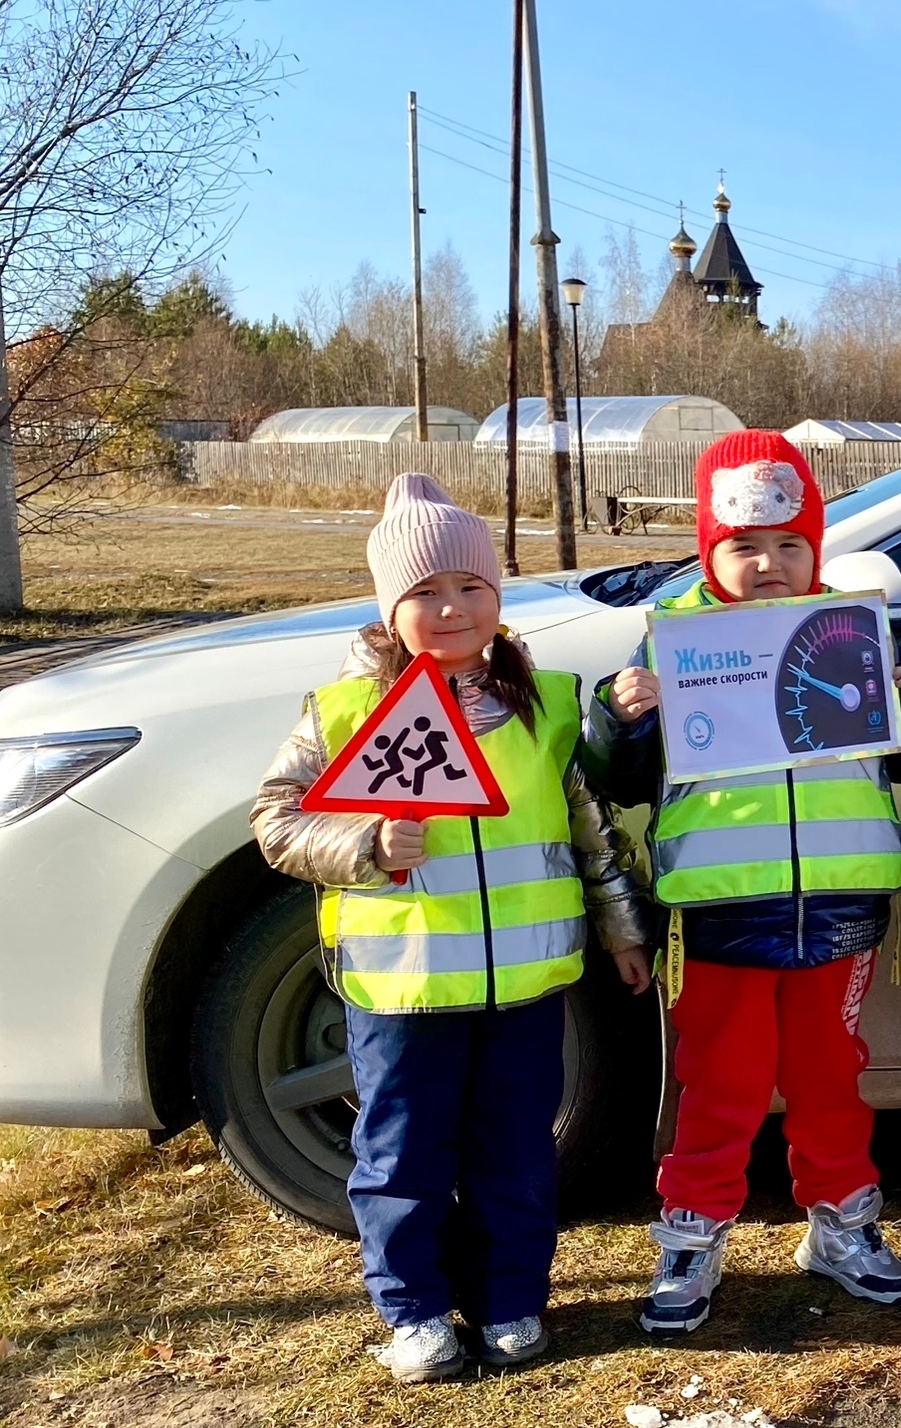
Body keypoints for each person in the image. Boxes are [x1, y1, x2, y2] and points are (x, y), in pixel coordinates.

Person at [251, 473, 652, 1384]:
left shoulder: (544, 706)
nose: (451, 608)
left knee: (516, 1149)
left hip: (525, 982)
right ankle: (415, 1311)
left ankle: (513, 1299)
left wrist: (622, 927)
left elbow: (587, 828)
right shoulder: (342, 715)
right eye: (424, 593)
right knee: (401, 1155)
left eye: (470, 588)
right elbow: (276, 824)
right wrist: (365, 840)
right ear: (390, 608)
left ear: (497, 599)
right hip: (402, 987)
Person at [584, 431, 901, 1336]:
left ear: (817, 549)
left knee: (833, 1077)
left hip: (839, 910)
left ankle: (839, 1225)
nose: (770, 565)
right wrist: (618, 716)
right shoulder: (671, 645)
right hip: (720, 916)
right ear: (710, 551)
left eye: (791, 545)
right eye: (744, 547)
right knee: (722, 1084)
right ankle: (694, 1230)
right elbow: (621, 780)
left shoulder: (857, 631)